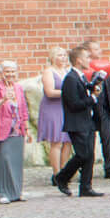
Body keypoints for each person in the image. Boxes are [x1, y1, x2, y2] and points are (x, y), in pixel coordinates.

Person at [53, 46, 104, 197]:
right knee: (82, 154)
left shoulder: (81, 76)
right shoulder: (70, 78)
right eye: (87, 57)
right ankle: (62, 177)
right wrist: (92, 98)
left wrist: (93, 88)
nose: (90, 60)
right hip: (76, 123)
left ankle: (86, 187)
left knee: (90, 155)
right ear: (78, 60)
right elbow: (73, 103)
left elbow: (83, 91)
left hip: (87, 121)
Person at [0, 60, 30, 204]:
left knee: (16, 162)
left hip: (17, 131)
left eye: (12, 71)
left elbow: (23, 110)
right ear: (1, 73)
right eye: (7, 72)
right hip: (1, 132)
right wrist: (4, 99)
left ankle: (16, 193)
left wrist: (27, 129)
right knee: (3, 161)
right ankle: (2, 193)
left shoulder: (18, 88)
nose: (10, 74)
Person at [85, 43, 110, 180]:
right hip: (90, 107)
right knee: (89, 140)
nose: (99, 51)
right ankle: (87, 168)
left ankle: (109, 167)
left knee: (107, 139)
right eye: (95, 49)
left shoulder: (104, 67)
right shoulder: (86, 69)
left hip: (104, 108)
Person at [38, 46, 72, 180]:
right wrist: (69, 93)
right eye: (59, 55)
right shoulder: (48, 71)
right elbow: (50, 92)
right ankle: (56, 173)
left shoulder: (67, 71)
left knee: (68, 140)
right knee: (57, 141)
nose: (63, 58)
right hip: (52, 108)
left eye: (64, 55)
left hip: (66, 108)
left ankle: (64, 171)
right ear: (52, 57)